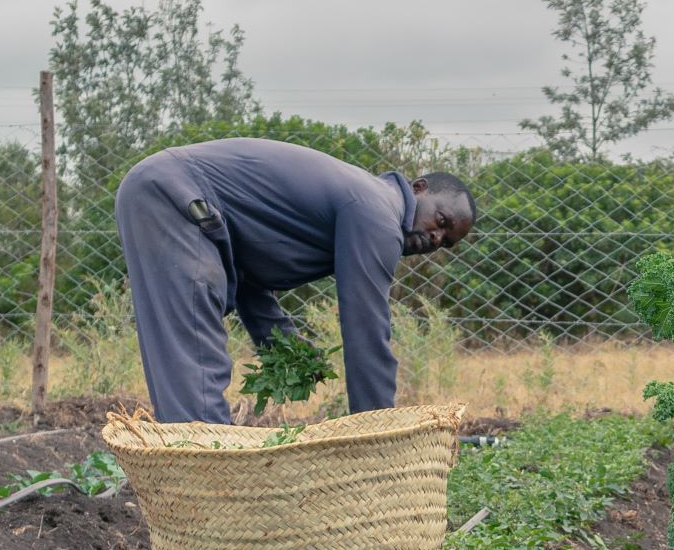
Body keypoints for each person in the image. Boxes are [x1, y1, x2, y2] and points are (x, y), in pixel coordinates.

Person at [113, 137, 476, 424]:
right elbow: (366, 331)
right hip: (176, 194)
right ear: (418, 188)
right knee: (192, 359)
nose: (435, 239)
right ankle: (207, 496)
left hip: (173, 192)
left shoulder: (364, 203)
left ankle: (199, 487)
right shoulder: (378, 212)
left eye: (447, 242)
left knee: (186, 366)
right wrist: (378, 434)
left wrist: (284, 346)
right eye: (441, 222)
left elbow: (248, 272)